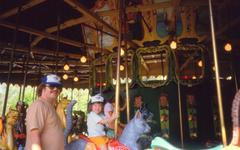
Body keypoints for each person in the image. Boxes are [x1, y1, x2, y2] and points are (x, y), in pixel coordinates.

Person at [25, 74, 64, 150]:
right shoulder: (39, 105)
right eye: (51, 86)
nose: (56, 89)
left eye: (58, 87)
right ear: (42, 88)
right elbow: (34, 136)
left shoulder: (49, 107)